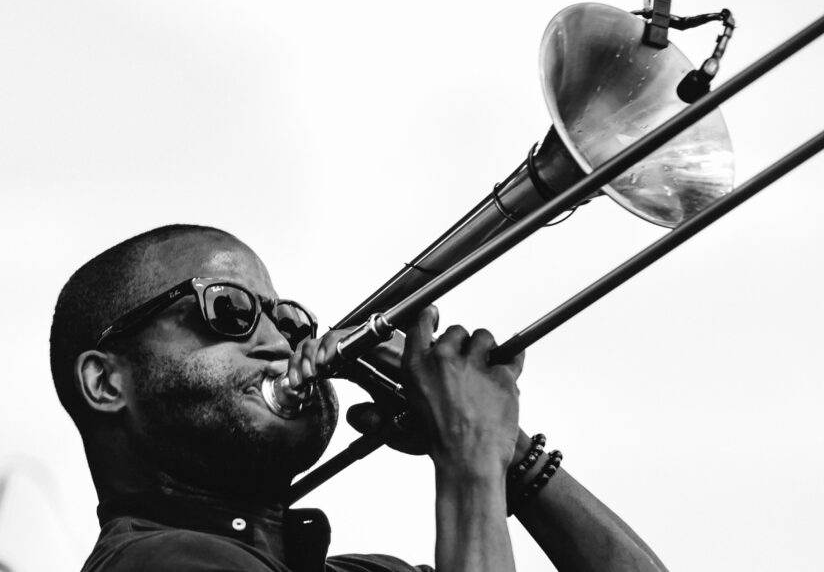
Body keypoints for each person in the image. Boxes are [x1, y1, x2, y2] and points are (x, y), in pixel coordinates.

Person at [50, 224, 668, 572]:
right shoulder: (157, 564)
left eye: (290, 320)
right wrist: (470, 455)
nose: (279, 340)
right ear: (107, 382)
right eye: (228, 310)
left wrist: (510, 454)